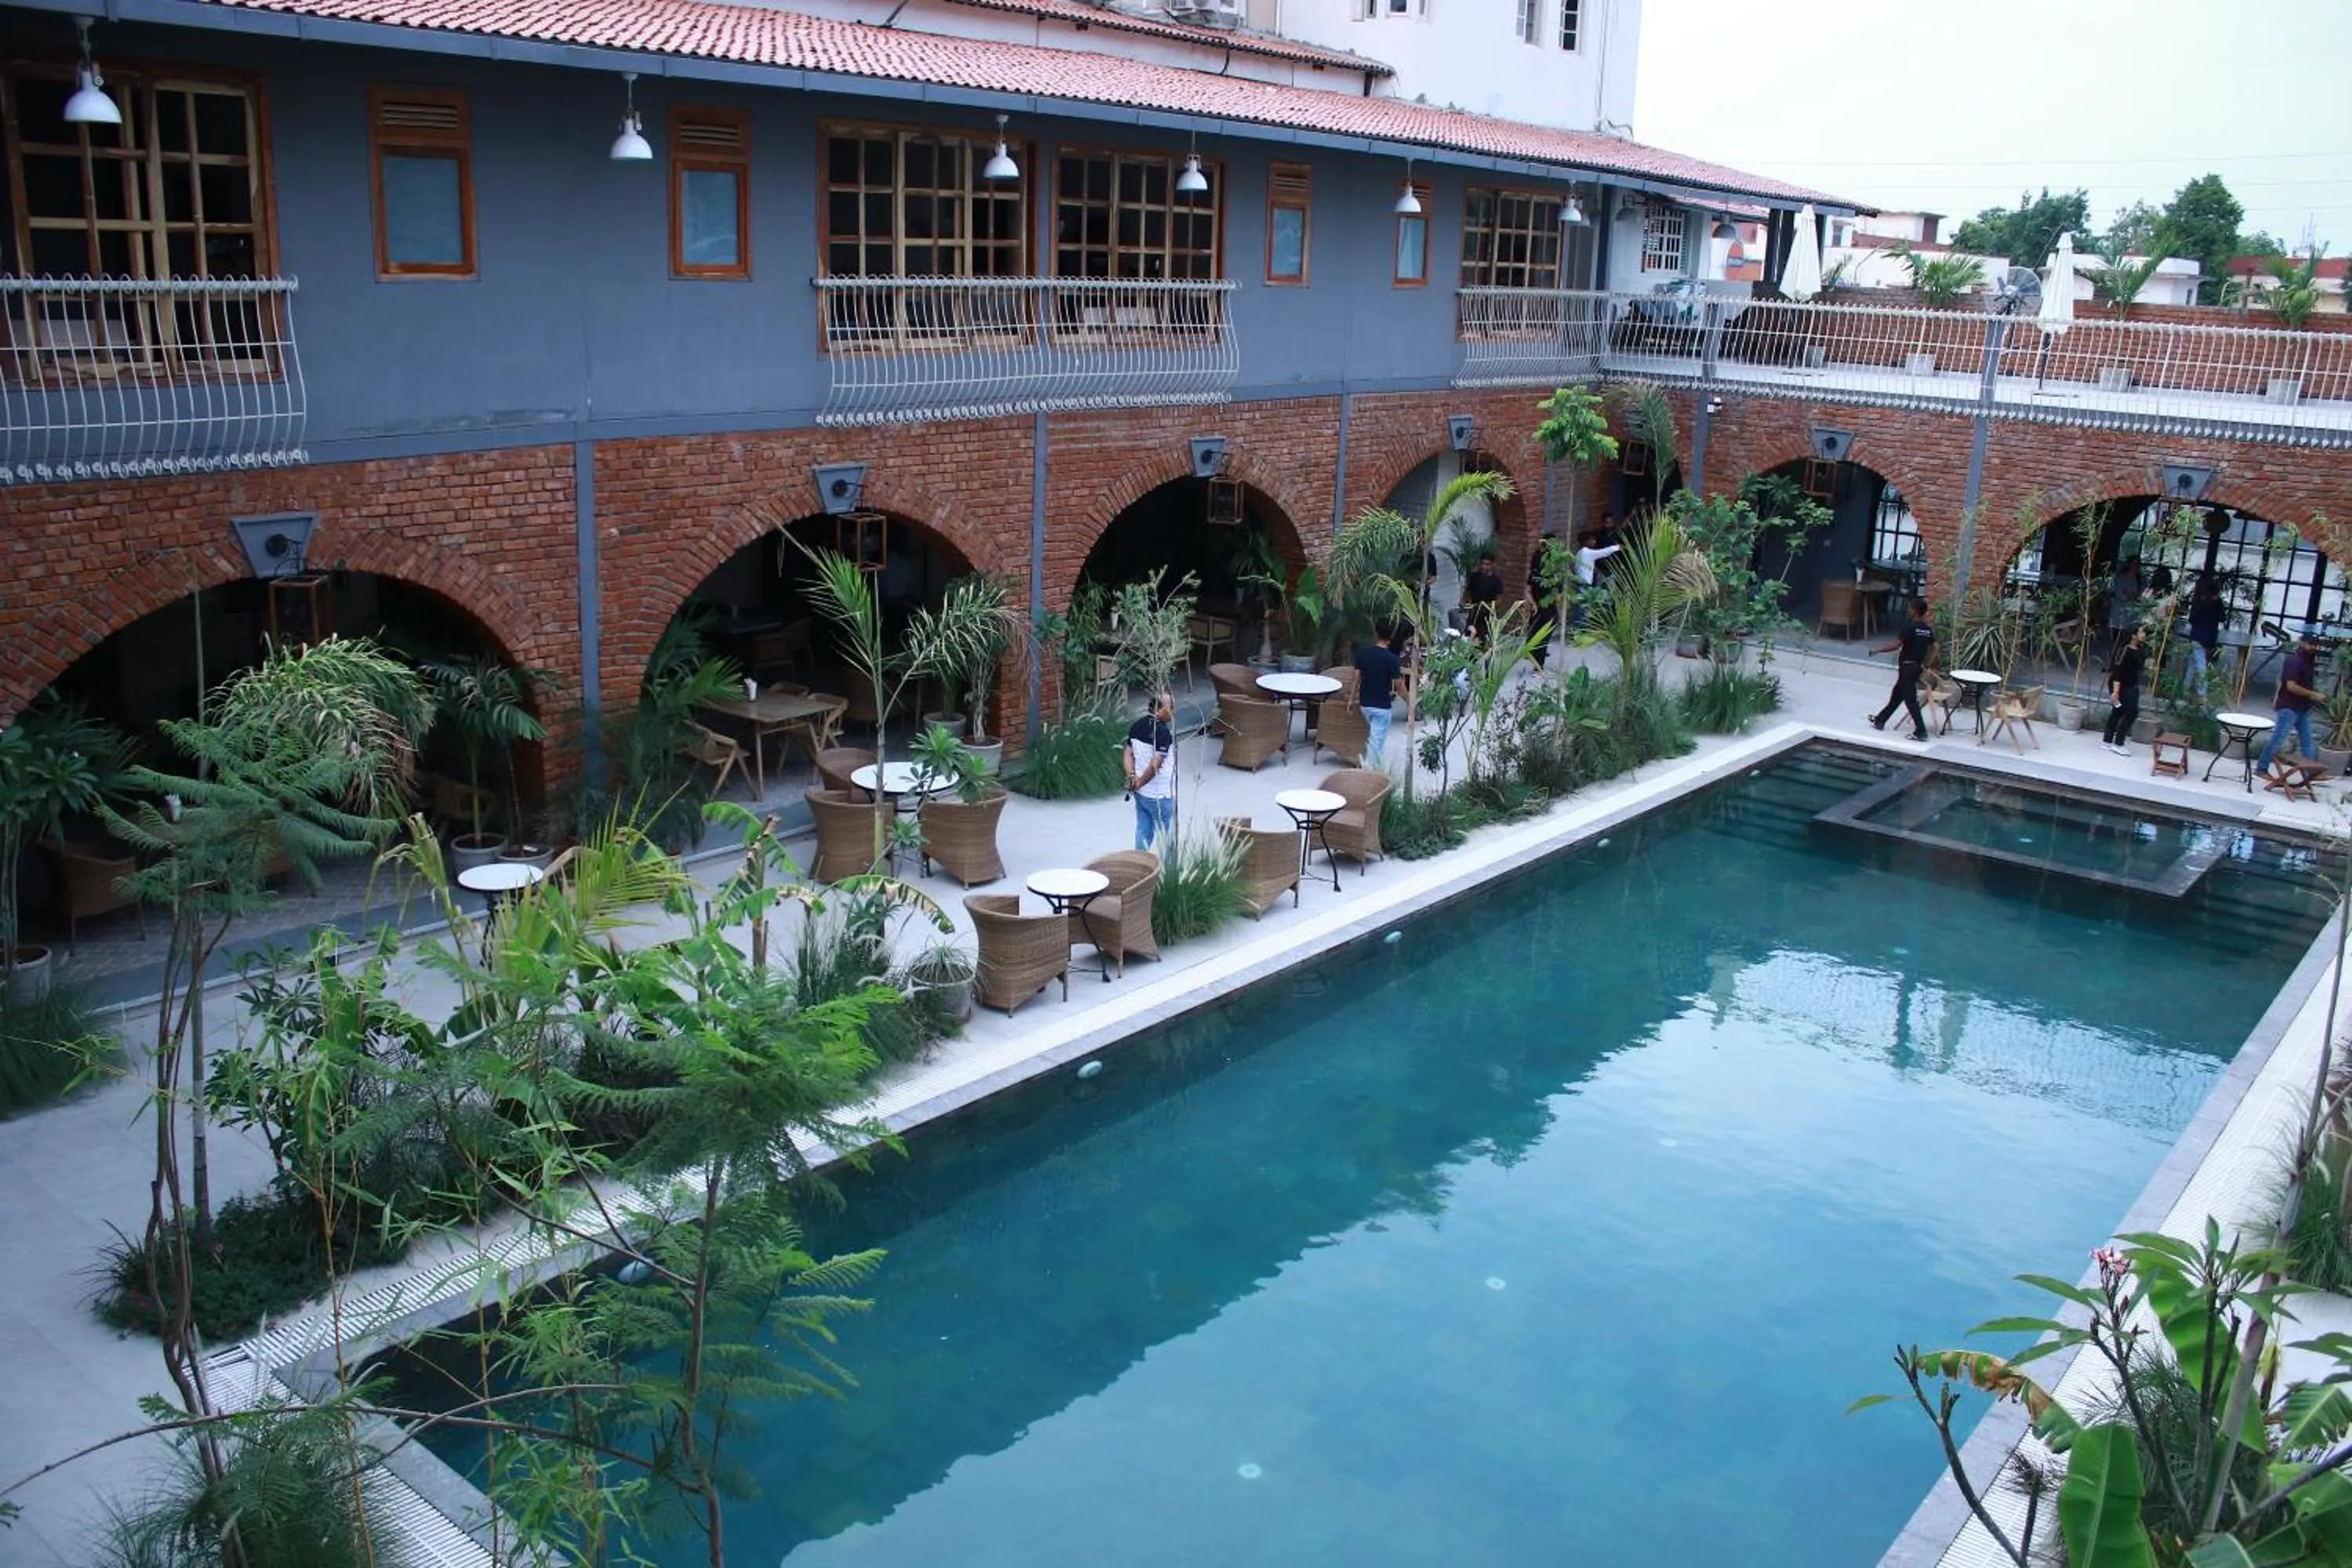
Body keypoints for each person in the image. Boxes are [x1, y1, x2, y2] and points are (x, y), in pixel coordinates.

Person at [1866, 596, 1936, 742]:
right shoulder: (1927, 630)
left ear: (1916, 611)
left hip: (1906, 667)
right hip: (1916, 667)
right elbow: (1936, 647)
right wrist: (1927, 663)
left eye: (1910, 608)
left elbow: (1896, 645)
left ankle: (1921, 731)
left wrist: (1877, 649)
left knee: (1911, 700)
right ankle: (1880, 720)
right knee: (1897, 695)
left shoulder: (1909, 628)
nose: (1908, 611)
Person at [2256, 630, 2326, 775]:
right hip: (2289, 707)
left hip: (2302, 707)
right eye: (2310, 644)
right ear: (2302, 643)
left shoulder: (2308, 661)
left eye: (2315, 645)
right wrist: (2314, 695)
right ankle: (2262, 768)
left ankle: (2312, 772)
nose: (2313, 647)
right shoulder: (2295, 661)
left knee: (2307, 742)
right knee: (2278, 740)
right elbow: (2290, 686)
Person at [1124, 689, 1176, 852]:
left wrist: (1132, 777)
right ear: (1160, 709)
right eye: (1171, 707)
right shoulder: (1162, 732)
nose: (1173, 711)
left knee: (1143, 832)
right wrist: (1139, 782)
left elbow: (1127, 753)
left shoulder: (1136, 726)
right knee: (1168, 838)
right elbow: (1156, 765)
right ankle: (1170, 873)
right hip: (1160, 795)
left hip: (1141, 795)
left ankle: (1140, 866)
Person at [1355, 622, 1405, 764]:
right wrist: (1409, 701)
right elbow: (1399, 685)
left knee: (1376, 737)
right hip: (1382, 706)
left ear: (1376, 634)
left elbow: (1355, 679)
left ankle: (1374, 765)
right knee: (1377, 739)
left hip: (1365, 705)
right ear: (1391, 637)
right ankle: (1371, 770)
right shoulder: (1392, 659)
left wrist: (1351, 699)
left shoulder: (1363, 654)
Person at [2103, 624, 2147, 757]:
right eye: (2141, 632)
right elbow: (2118, 673)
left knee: (2118, 711)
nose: (2144, 634)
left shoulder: (2139, 649)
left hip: (2131, 684)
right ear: (2133, 636)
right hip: (2122, 685)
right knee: (2131, 712)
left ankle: (2107, 740)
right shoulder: (2125, 651)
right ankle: (2118, 743)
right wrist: (2115, 692)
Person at [1571, 531, 1621, 629]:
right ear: (1586, 542)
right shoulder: (1587, 552)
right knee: (1582, 608)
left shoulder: (1580, 553)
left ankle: (1579, 629)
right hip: (1584, 583)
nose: (1594, 542)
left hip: (1580, 582)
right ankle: (1579, 630)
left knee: (1582, 607)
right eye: (1592, 540)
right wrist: (1617, 547)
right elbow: (1603, 553)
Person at [1526, 536, 1560, 668]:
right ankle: (1538, 666)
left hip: (1537, 609)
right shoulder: (1554, 577)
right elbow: (1558, 597)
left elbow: (1527, 591)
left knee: (1535, 635)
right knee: (1542, 638)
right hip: (1548, 610)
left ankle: (1536, 661)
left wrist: (1533, 603)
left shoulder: (1533, 575)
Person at [2187, 577, 2224, 687]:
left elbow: (2192, 619)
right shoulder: (2217, 602)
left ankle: (2199, 692)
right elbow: (2222, 618)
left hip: (2197, 635)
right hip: (2210, 636)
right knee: (2195, 663)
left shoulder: (2199, 601)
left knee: (2197, 664)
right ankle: (2186, 687)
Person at [1463, 550, 1504, 643]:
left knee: (1482, 641)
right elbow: (1468, 591)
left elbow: (1500, 601)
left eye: (1487, 564)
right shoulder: (1474, 577)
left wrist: (1486, 607)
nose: (1483, 567)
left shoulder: (1496, 581)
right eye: (1482, 564)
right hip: (1473, 614)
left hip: (1487, 616)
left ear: (1492, 565)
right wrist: (1464, 603)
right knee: (1469, 637)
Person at [2107, 556, 2143, 659]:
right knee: (2115, 639)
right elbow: (2119, 594)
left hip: (2133, 614)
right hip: (2118, 612)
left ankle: (2122, 661)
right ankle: (2111, 661)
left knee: (2128, 639)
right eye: (2133, 564)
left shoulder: (2140, 580)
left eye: (2137, 565)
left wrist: (2132, 595)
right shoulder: (2121, 578)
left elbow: (2142, 595)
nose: (2135, 567)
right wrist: (2130, 595)